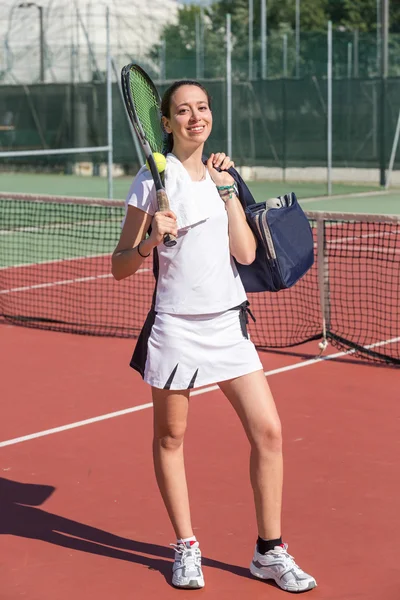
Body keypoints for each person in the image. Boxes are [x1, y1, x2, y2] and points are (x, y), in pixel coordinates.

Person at [111, 79, 317, 593]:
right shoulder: (150, 179)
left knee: (268, 432)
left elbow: (245, 254)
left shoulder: (225, 173)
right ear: (165, 123)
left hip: (229, 323)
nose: (195, 117)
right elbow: (119, 267)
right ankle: (185, 546)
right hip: (176, 327)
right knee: (171, 437)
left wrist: (229, 193)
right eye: (183, 110)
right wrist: (150, 241)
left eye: (202, 108)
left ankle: (269, 552)